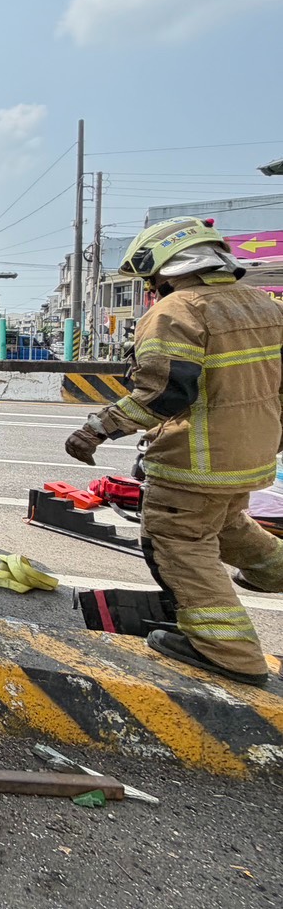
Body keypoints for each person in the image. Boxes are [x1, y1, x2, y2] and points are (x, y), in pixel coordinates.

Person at [64, 217, 283, 686]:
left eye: (151, 279)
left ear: (166, 266)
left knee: (179, 541)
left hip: (197, 459)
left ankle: (229, 652)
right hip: (253, 452)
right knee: (224, 522)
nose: (152, 288)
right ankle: (275, 571)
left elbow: (164, 392)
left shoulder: (178, 310)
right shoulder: (264, 306)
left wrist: (97, 429)